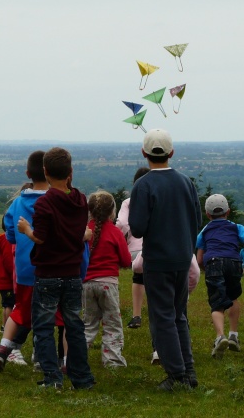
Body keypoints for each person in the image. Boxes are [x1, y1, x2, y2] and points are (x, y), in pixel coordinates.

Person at [128, 129, 202, 391]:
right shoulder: (185, 182)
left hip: (158, 259)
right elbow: (197, 220)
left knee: (162, 317)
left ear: (144, 153)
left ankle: (177, 375)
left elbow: (136, 228)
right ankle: (189, 371)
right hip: (183, 257)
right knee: (179, 314)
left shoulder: (143, 185)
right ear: (171, 153)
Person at [16, 147, 95, 390]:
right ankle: (82, 379)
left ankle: (52, 379)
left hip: (48, 272)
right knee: (74, 326)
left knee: (43, 326)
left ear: (45, 172)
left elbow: (40, 238)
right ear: (70, 172)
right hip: (72, 272)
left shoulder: (45, 203)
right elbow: (77, 231)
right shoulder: (80, 200)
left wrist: (26, 230)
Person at [0, 152, 48, 371]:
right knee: (47, 313)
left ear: (27, 174)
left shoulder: (17, 204)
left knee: (20, 308)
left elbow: (10, 235)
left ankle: (3, 347)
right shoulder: (55, 201)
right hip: (49, 268)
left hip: (23, 268)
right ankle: (41, 358)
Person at [195, 194, 244, 358]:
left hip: (213, 262)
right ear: (228, 212)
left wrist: (205, 268)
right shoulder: (236, 227)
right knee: (233, 297)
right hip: (234, 262)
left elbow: (199, 258)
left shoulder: (205, 231)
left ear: (207, 214)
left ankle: (220, 336)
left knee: (217, 303)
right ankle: (233, 335)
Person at [82, 190, 132, 367]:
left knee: (88, 323)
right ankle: (112, 360)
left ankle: (77, 357)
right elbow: (126, 261)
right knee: (112, 323)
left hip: (86, 284)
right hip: (108, 284)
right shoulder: (115, 232)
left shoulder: (85, 231)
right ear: (112, 211)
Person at [115, 166, 151, 329]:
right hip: (156, 250)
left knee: (138, 278)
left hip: (135, 251)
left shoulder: (128, 203)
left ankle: (136, 315)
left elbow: (121, 223)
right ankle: (156, 313)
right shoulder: (158, 199)